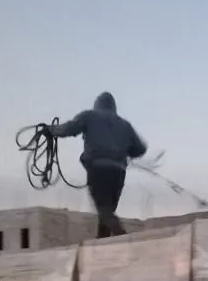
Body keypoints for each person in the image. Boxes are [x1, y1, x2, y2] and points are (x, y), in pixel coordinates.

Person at [50, 92, 147, 238]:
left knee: (104, 211)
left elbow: (69, 128)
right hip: (118, 173)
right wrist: (124, 150)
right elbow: (140, 149)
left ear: (97, 105)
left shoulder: (89, 116)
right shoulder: (125, 125)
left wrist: (51, 130)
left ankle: (123, 237)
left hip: (98, 169)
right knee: (107, 211)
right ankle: (103, 241)